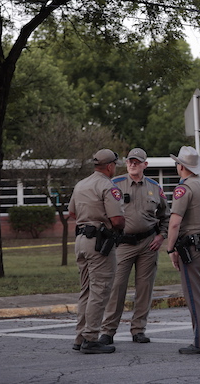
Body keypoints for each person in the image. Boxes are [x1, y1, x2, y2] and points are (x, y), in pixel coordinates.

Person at [99, 148, 170, 345]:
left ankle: (138, 329)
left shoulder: (155, 187)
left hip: (149, 244)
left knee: (144, 289)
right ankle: (108, 331)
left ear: (145, 165)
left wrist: (161, 236)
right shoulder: (115, 184)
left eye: (137, 162)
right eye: (130, 161)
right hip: (122, 244)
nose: (132, 164)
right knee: (117, 288)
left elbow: (166, 215)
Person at [69, 149, 125, 354]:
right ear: (110, 166)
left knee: (86, 290)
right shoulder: (107, 186)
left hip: (81, 240)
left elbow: (72, 212)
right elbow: (117, 219)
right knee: (100, 290)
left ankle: (80, 336)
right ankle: (91, 338)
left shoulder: (81, 184)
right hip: (100, 244)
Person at [167, 146, 200, 354]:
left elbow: (174, 223)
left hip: (193, 247)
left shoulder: (184, 188)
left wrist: (171, 249)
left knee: (194, 296)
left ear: (181, 167)